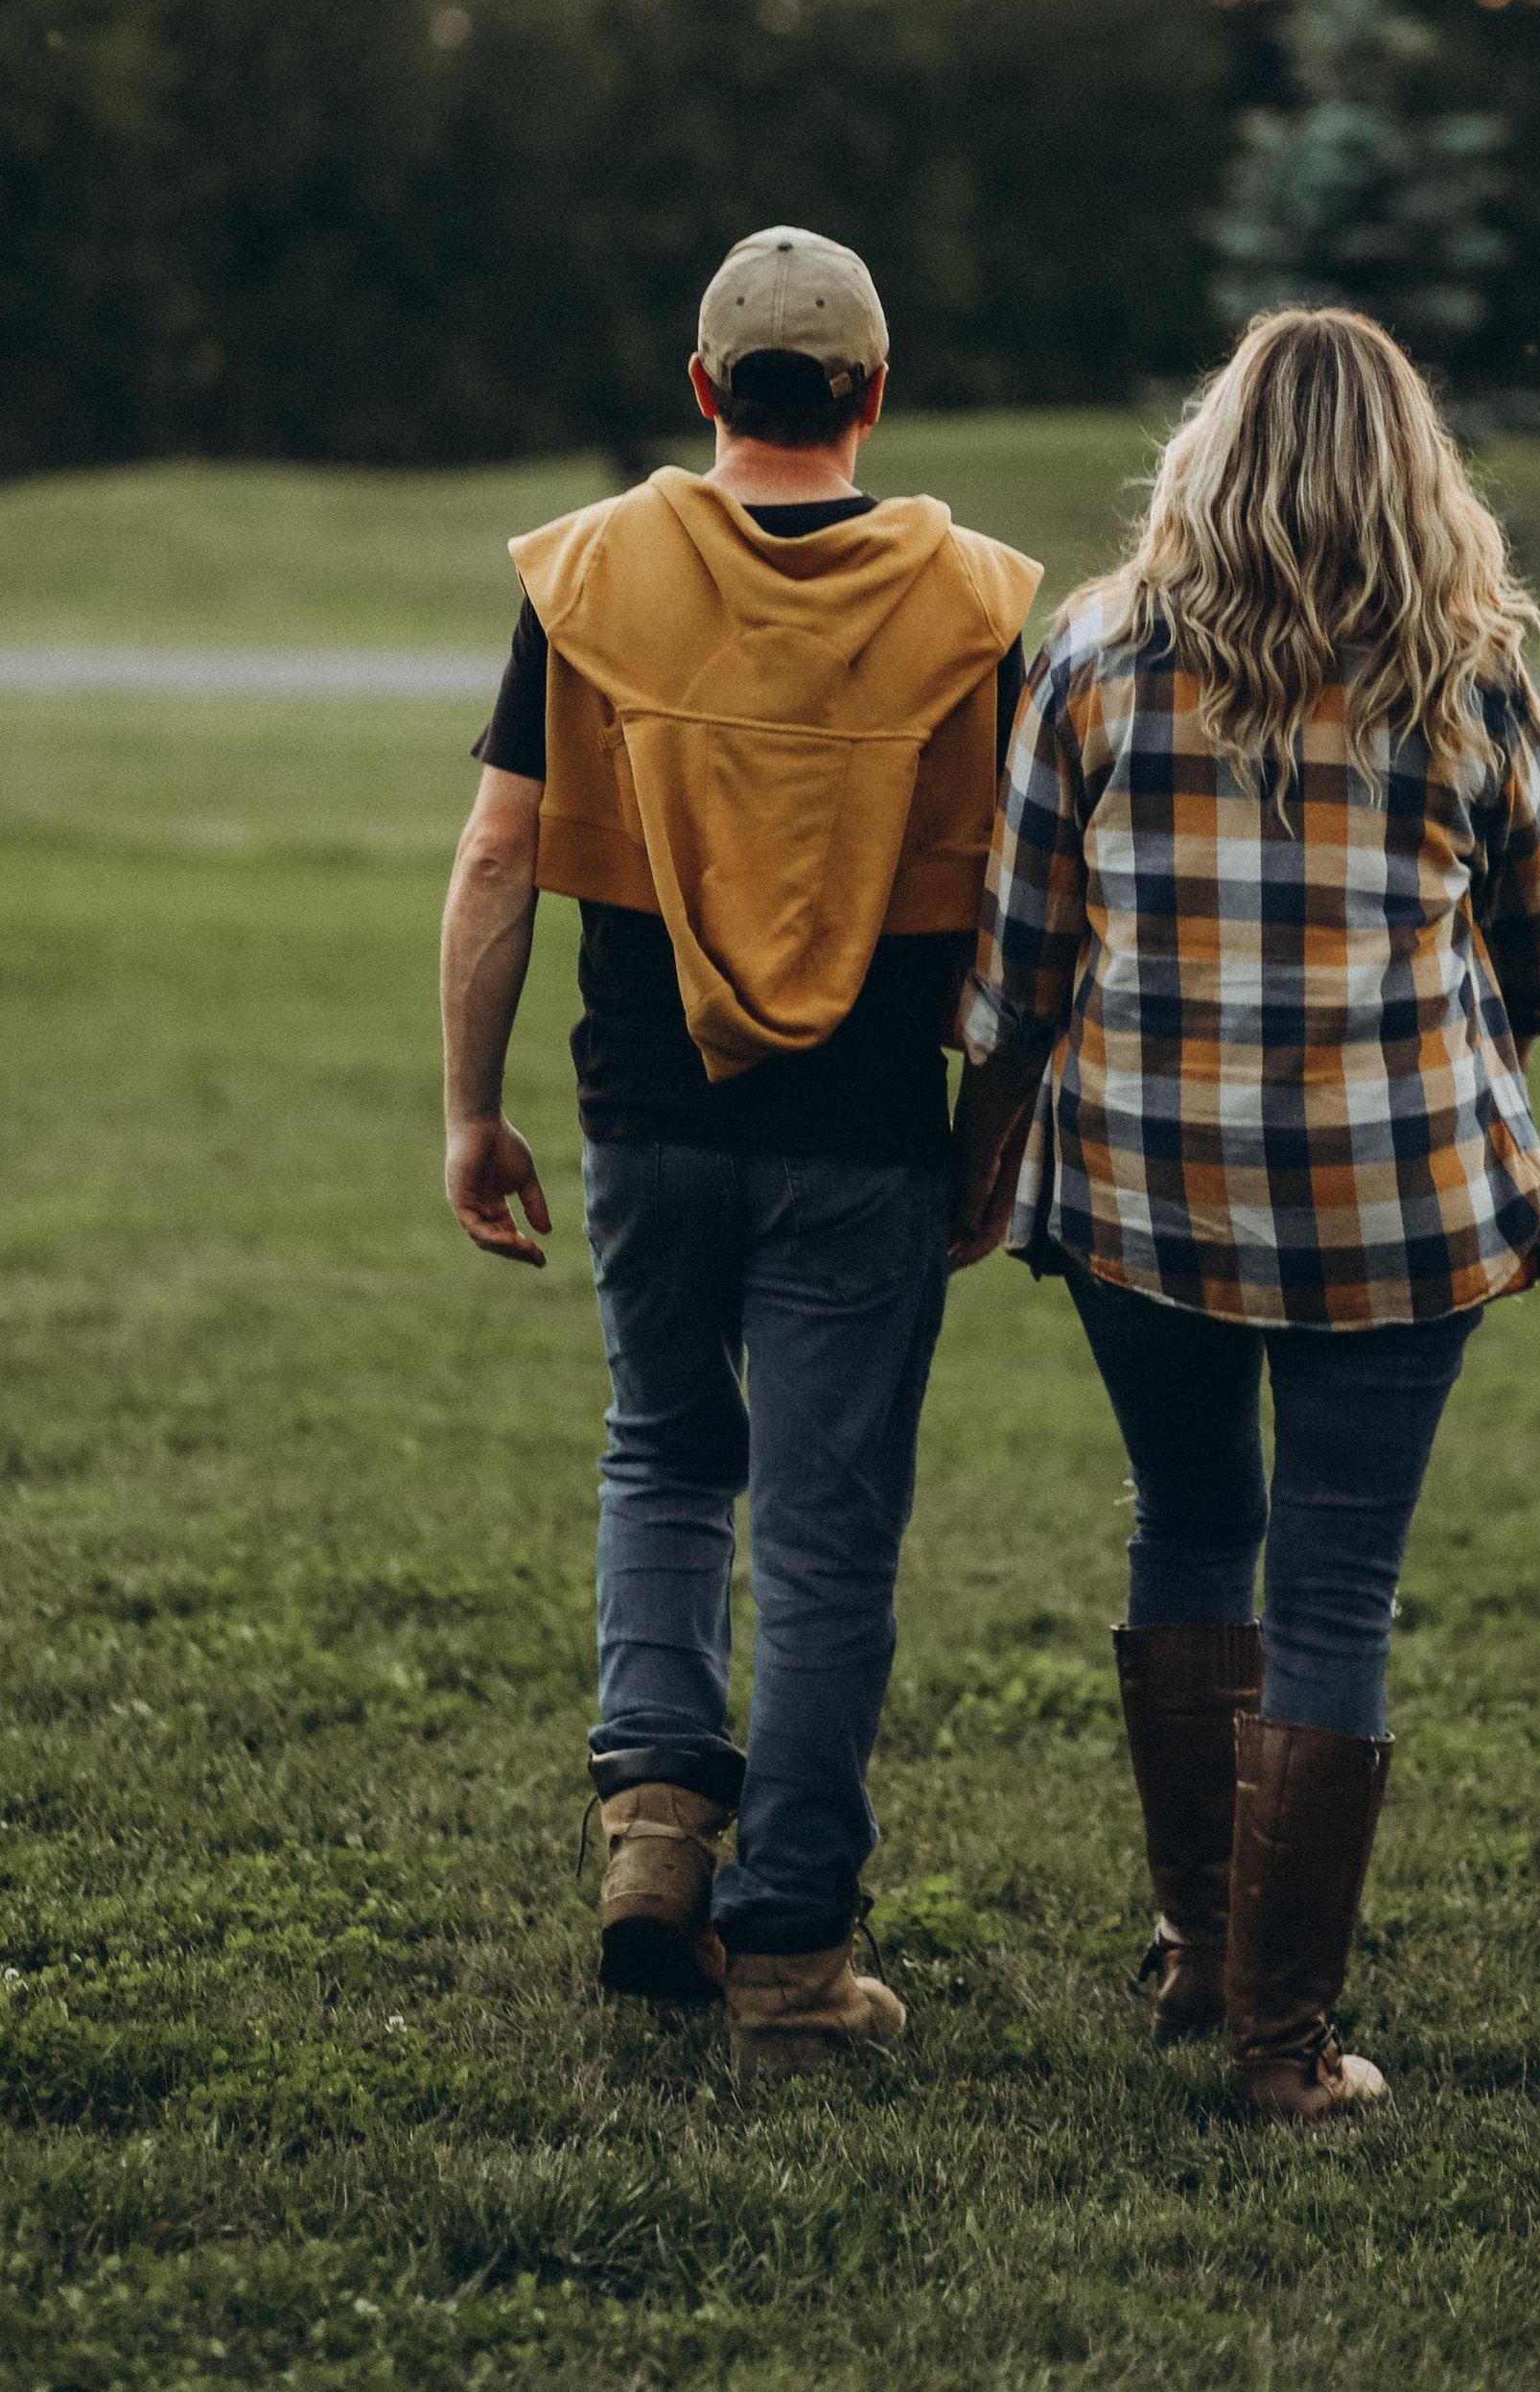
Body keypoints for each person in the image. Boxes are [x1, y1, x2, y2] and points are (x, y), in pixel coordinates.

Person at [950, 306, 1540, 2124]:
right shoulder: (1470, 677)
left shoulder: (1090, 657)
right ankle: (1282, 2045)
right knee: (1335, 1581)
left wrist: (978, 1160)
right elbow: (1536, 956)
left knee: (1188, 1519)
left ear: (1206, 457)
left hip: (1144, 1188)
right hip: (1397, 1198)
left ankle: (1204, 1951)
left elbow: (1020, 966)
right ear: (1415, 475)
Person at [437, 227, 1040, 2078]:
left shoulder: (589, 574)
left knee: (666, 1453)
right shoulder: (975, 605)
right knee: (830, 1546)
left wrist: (471, 1108)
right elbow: (1022, 922)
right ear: (874, 394)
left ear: (704, 388)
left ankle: (654, 1826)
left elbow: (496, 857)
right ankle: (789, 1968)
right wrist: (991, 1140)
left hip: (646, 1118)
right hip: (865, 1139)